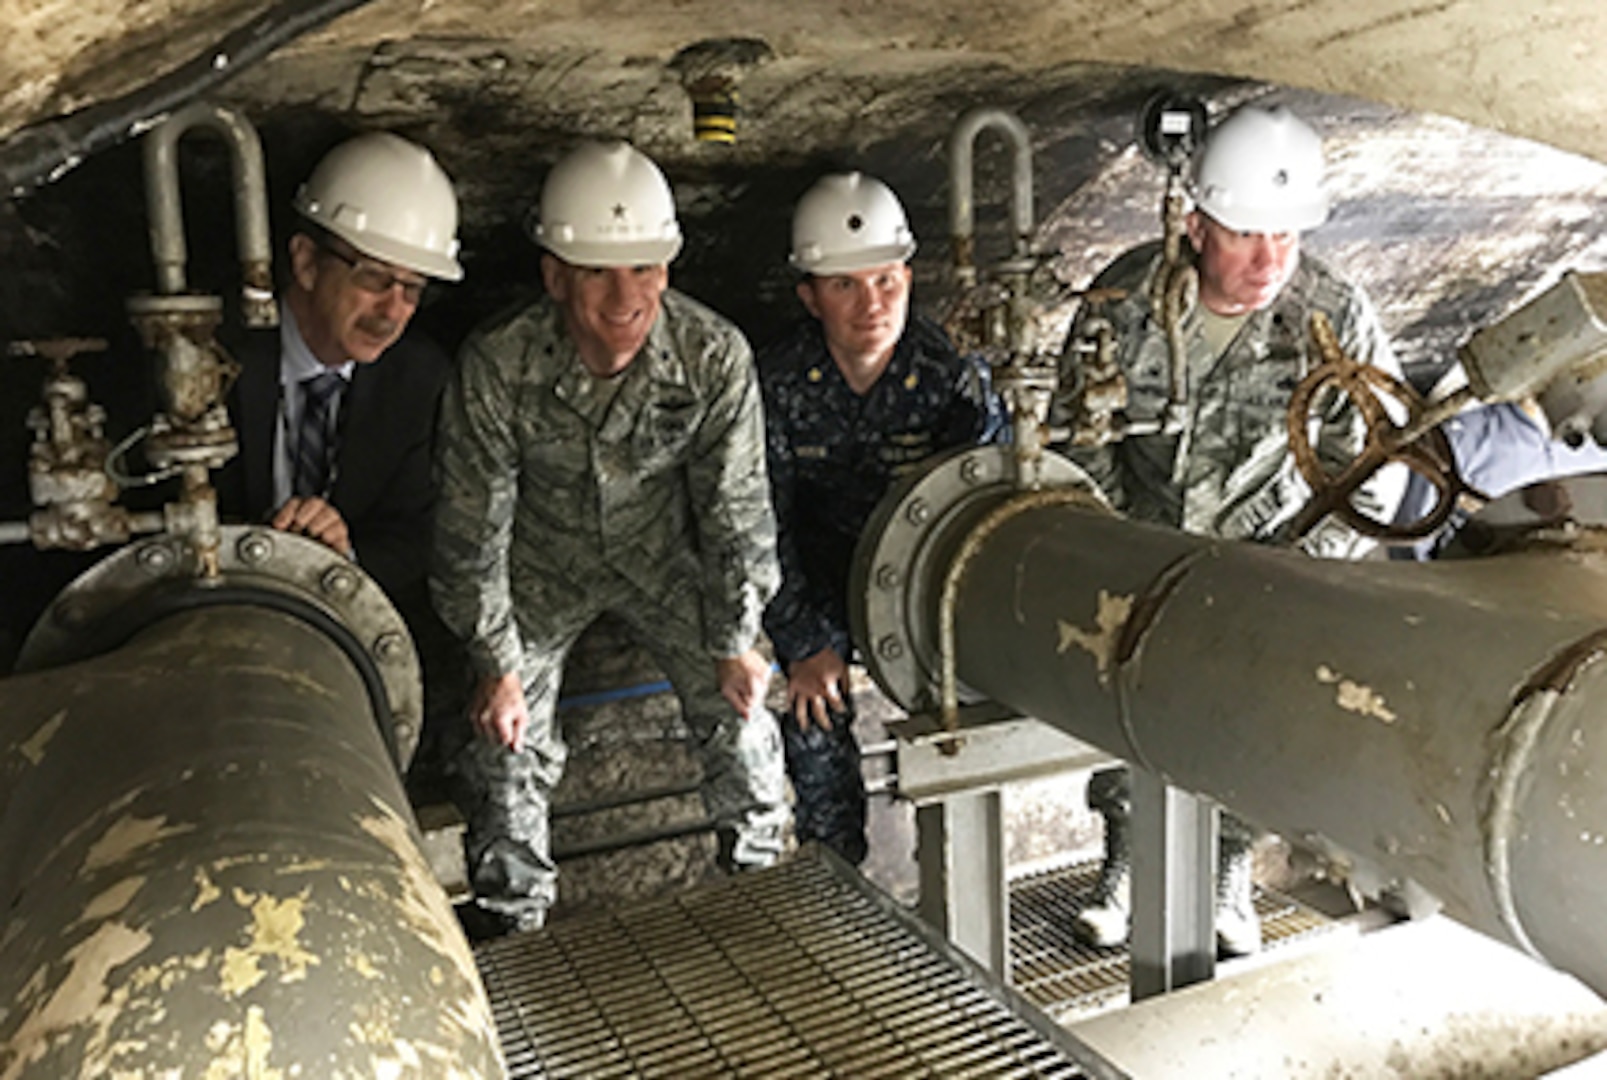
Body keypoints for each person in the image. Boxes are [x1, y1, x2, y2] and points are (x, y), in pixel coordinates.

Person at [1054, 103, 1404, 956]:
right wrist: (1118, 549)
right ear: (1195, 223)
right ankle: (1124, 864)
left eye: (1285, 237)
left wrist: (1298, 567)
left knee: (1252, 719)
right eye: (1246, 235)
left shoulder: (1330, 313)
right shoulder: (1123, 302)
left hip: (1267, 561)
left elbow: (1376, 460)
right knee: (1126, 703)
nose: (1267, 262)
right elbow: (1080, 441)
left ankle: (1228, 874)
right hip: (1143, 549)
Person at [430, 140, 789, 936]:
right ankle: (511, 926)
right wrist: (495, 661)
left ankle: (767, 896)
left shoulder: (710, 355)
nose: (626, 295)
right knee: (503, 745)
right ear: (555, 276)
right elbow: (472, 527)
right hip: (538, 568)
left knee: (745, 708)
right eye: (597, 271)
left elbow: (736, 512)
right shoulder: (499, 361)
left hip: (664, 561)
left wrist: (735, 640)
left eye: (645, 268)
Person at [759, 173, 1008, 865]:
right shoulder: (773, 382)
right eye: (844, 286)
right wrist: (804, 641)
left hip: (921, 585)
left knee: (960, 710)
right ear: (809, 295)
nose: (871, 305)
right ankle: (836, 875)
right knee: (810, 717)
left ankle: (957, 871)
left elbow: (990, 501)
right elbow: (757, 522)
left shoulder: (948, 373)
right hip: (819, 585)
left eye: (885, 281)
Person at [218, 131, 466, 782]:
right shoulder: (210, 358)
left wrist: (344, 557)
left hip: (329, 645)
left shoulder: (419, 379)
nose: (392, 312)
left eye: (412, 290)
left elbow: (419, 533)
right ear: (305, 261)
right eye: (374, 279)